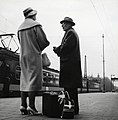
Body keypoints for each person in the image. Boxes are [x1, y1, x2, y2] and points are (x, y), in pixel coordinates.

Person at [17, 7, 50, 115]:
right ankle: (31, 106)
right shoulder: (35, 25)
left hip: (23, 57)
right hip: (33, 56)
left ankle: (23, 105)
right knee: (33, 80)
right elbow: (44, 41)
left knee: (24, 79)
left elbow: (21, 42)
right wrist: (38, 48)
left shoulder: (20, 28)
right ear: (33, 15)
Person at [53, 17, 82, 115]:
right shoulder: (71, 33)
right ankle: (73, 109)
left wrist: (57, 49)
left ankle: (72, 109)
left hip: (70, 67)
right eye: (62, 24)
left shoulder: (71, 33)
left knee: (70, 89)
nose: (62, 25)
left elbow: (66, 47)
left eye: (64, 23)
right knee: (71, 89)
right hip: (71, 66)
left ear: (70, 24)